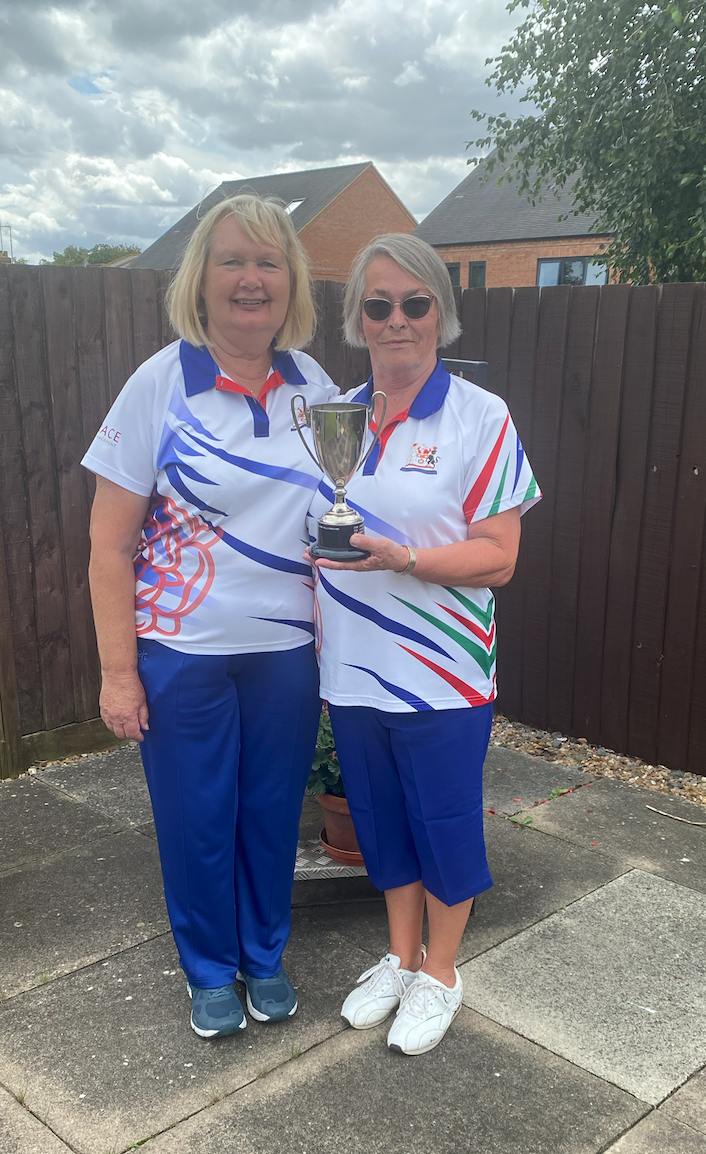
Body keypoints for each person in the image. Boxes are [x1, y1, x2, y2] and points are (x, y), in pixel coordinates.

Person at [82, 195, 338, 1039]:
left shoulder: (315, 387)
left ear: (291, 281)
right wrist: (119, 674)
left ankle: (263, 956)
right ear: (201, 278)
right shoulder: (157, 384)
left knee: (270, 811)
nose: (251, 279)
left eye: (269, 263)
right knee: (197, 820)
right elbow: (108, 547)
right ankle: (207, 969)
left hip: (286, 653)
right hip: (182, 651)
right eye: (233, 260)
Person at [306, 233, 540, 1056]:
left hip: (443, 673)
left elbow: (499, 558)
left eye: (415, 303)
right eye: (378, 305)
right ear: (357, 318)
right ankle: (400, 957)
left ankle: (441, 972)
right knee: (380, 824)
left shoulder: (480, 416)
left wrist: (403, 557)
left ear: (441, 313)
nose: (396, 319)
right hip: (354, 670)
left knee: (442, 824)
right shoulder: (335, 415)